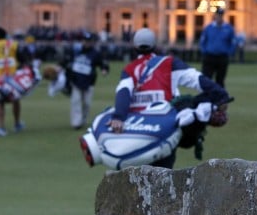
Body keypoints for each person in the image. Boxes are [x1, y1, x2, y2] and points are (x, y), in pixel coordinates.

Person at [81, 27, 231, 170]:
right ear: (155, 45)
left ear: (134, 46)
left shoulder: (130, 69)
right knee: (163, 175)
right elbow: (196, 79)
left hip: (136, 130)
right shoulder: (169, 62)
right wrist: (221, 95)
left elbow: (124, 92)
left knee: (136, 176)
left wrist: (119, 116)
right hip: (165, 126)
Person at [64, 33, 109, 129]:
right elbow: (67, 62)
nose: (87, 43)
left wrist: (104, 70)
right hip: (76, 80)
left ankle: (83, 119)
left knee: (87, 103)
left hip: (89, 82)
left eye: (89, 41)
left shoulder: (95, 53)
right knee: (75, 102)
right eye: (85, 41)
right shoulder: (77, 51)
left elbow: (102, 64)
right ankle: (76, 122)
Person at [0, 27, 29, 137]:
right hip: (12, 77)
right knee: (15, 100)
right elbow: (22, 58)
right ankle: (17, 124)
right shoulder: (13, 44)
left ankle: (1, 128)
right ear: (6, 35)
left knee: (0, 102)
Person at [199, 8, 236, 87]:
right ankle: (207, 96)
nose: (219, 17)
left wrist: (229, 52)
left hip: (222, 57)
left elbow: (233, 42)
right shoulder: (209, 28)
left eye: (221, 15)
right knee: (206, 78)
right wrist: (204, 51)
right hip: (209, 56)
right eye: (218, 15)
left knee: (220, 79)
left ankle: (220, 98)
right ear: (215, 16)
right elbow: (202, 41)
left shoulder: (228, 28)